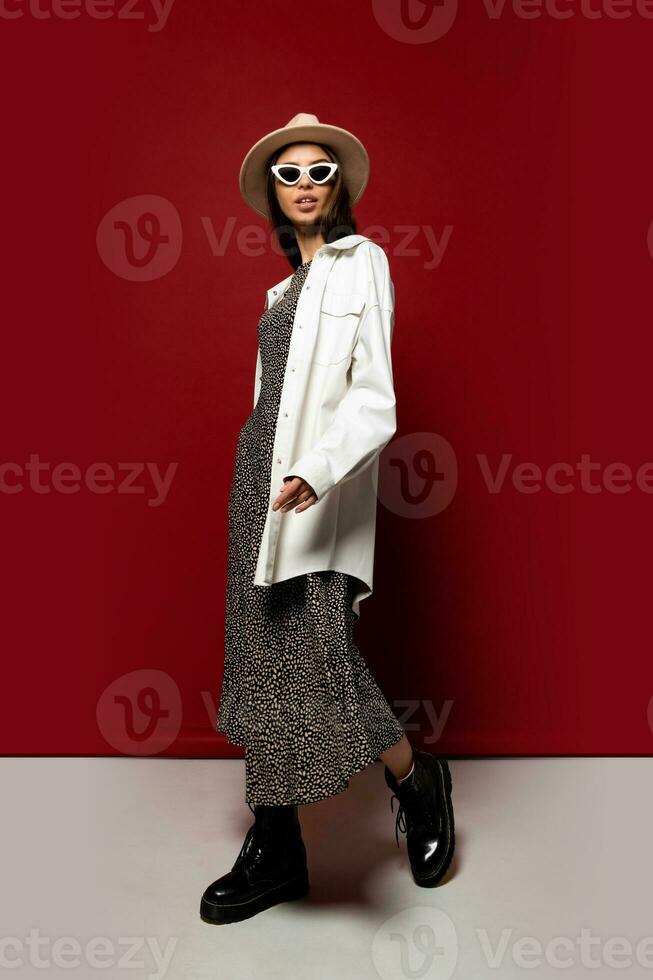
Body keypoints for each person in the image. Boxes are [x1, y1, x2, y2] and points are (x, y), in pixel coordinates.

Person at [200, 114, 455, 926]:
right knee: (263, 658)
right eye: (289, 174)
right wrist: (272, 473)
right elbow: (267, 404)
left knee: (317, 656)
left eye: (318, 172)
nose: (305, 184)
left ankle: (417, 780)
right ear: (272, 195)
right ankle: (277, 848)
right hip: (258, 485)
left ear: (336, 185)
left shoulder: (362, 264)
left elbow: (373, 394)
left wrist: (316, 468)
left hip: (315, 486)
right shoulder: (279, 291)